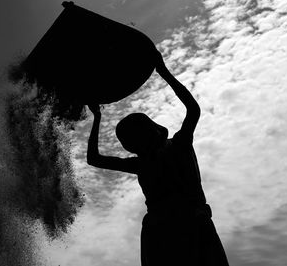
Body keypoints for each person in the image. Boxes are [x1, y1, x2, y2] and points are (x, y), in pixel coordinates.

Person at [86, 50, 230, 266]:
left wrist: (164, 72)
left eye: (133, 137)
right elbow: (94, 159)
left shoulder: (178, 144)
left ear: (151, 131)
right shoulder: (141, 163)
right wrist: (97, 118)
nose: (130, 144)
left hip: (190, 224)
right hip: (160, 231)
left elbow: (193, 109)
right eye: (128, 141)